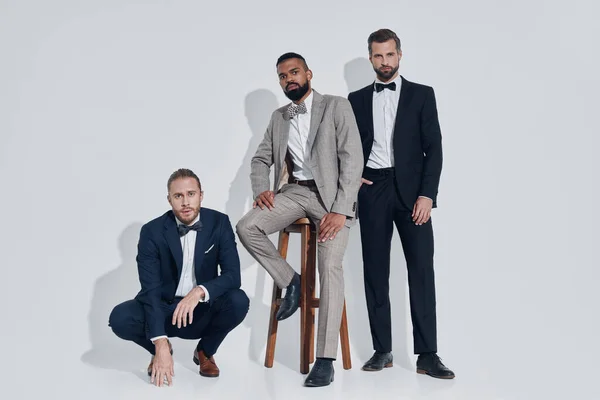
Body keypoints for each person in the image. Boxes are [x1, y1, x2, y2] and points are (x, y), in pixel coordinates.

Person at [236, 52, 363, 387]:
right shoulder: (279, 117)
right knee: (247, 226)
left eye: (294, 72)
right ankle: (289, 280)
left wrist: (340, 208)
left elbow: (353, 159)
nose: (289, 79)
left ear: (308, 73)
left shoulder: (336, 106)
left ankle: (324, 359)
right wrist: (262, 188)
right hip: (292, 193)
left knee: (329, 269)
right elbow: (260, 158)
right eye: (282, 76)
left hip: (331, 199)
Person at [347, 29, 455, 379]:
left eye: (390, 55)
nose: (385, 62)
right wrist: (355, 177)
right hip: (373, 188)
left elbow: (434, 148)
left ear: (400, 54)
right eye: (378, 56)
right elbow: (345, 147)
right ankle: (383, 350)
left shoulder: (423, 95)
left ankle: (427, 355)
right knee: (375, 272)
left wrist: (428, 195)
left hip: (413, 193)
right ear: (370, 59)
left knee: (421, 270)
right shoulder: (356, 99)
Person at [108, 168, 249, 386]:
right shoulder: (152, 232)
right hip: (164, 310)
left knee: (238, 300)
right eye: (178, 196)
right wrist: (159, 340)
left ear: (201, 195)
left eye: (191, 194)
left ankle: (205, 351)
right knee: (120, 318)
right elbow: (151, 290)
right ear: (169, 200)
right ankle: (160, 348)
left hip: (200, 310)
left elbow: (232, 276)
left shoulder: (219, 223)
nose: (185, 202)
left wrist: (199, 291)